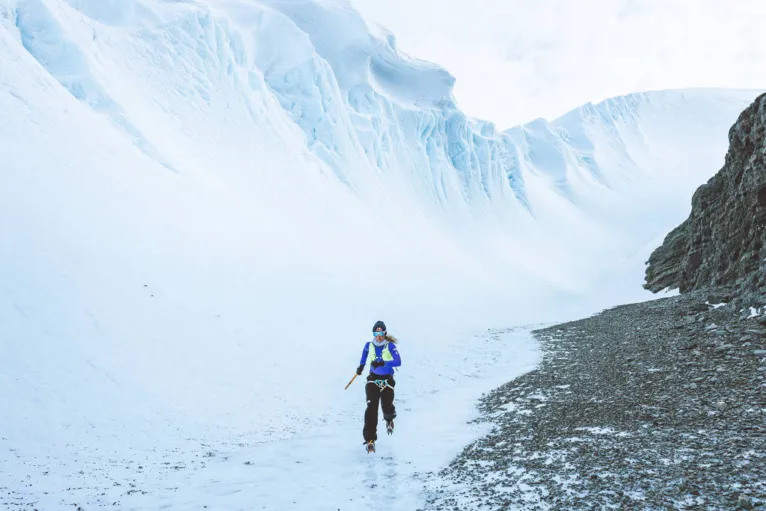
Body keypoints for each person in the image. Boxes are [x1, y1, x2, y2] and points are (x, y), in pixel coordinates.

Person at [356, 320, 401, 452]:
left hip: (387, 380)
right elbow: (364, 355)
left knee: (386, 405)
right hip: (373, 380)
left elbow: (398, 361)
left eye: (381, 332)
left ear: (384, 333)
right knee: (371, 408)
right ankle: (370, 439)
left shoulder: (390, 346)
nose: (379, 335)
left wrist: (383, 363)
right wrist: (361, 366)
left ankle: (389, 419)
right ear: (373, 333)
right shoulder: (368, 345)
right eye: (376, 332)